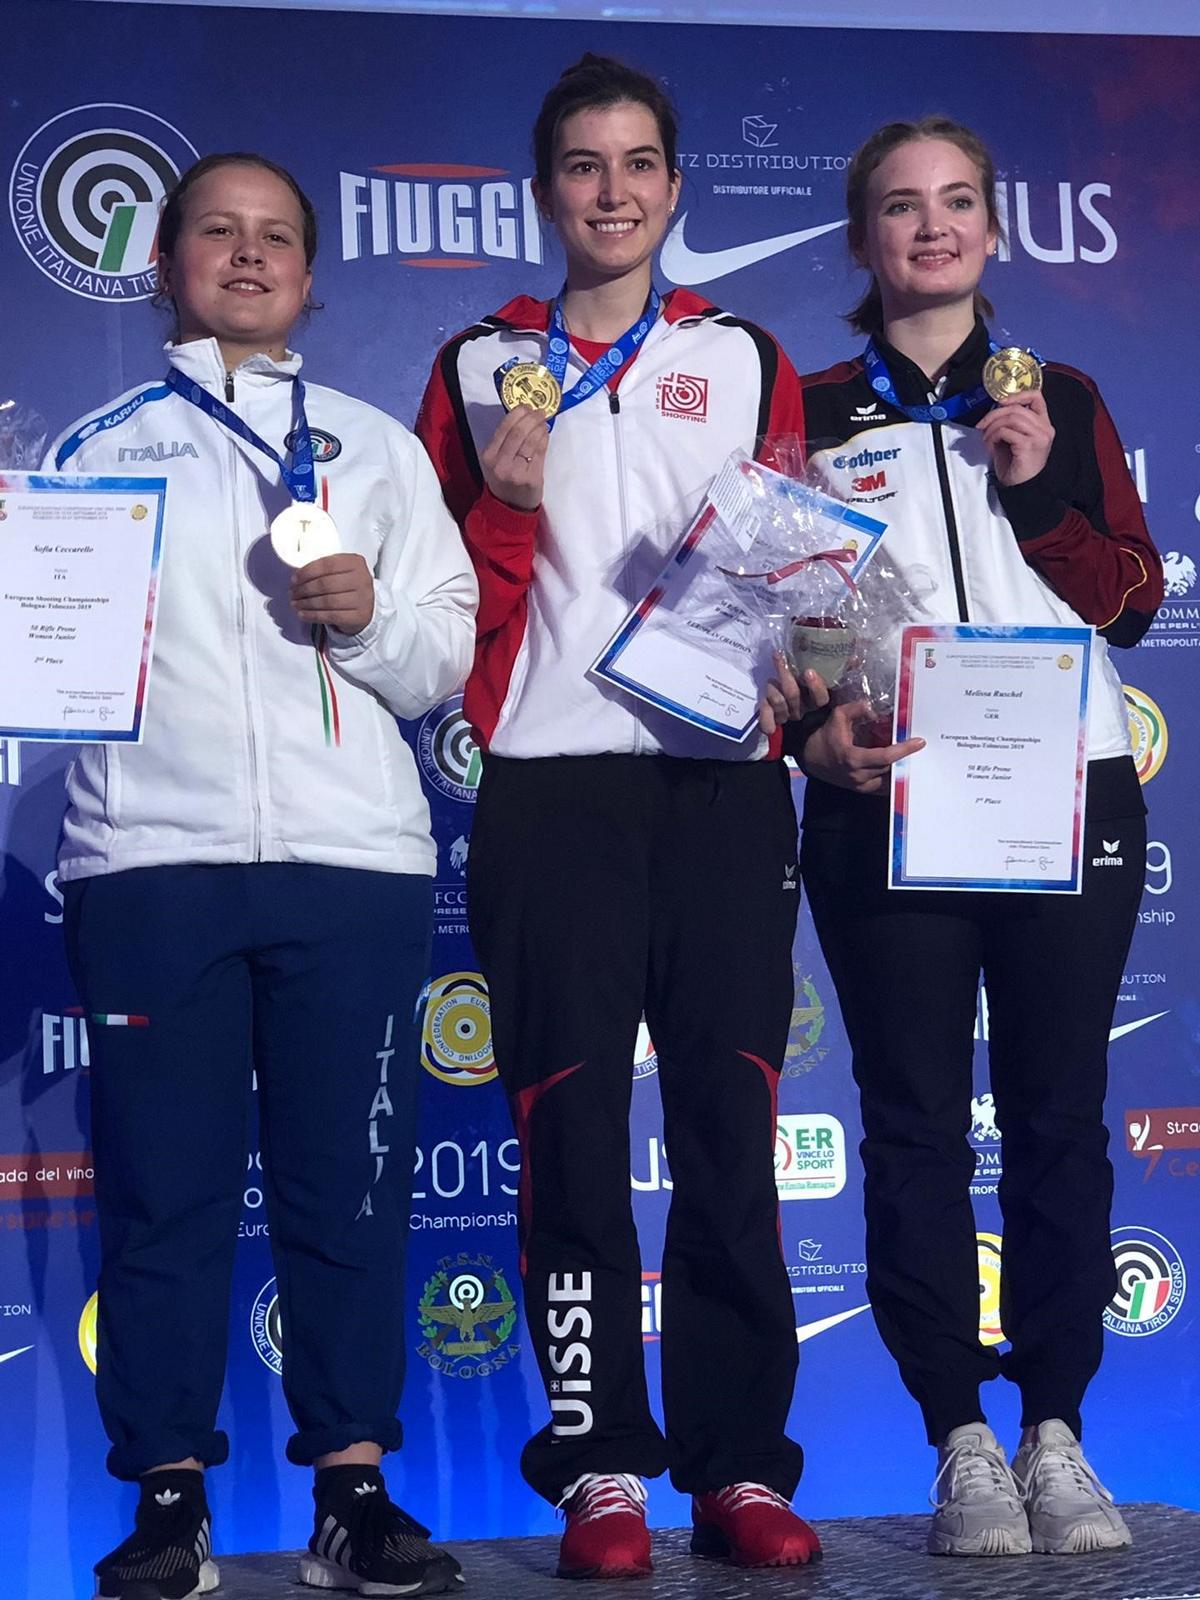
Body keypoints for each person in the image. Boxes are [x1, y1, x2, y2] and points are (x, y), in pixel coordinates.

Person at [45, 152, 477, 1600]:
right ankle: (169, 1498)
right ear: (167, 261)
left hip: (349, 867)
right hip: (151, 869)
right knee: (161, 1195)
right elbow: (32, 683)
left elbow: (442, 661)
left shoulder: (376, 448)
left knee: (350, 1190)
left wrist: (364, 619)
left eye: (275, 236)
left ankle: (352, 1491)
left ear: (309, 271)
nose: (246, 256)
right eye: (217, 233)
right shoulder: (90, 448)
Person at [416, 53, 820, 1581]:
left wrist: (811, 682)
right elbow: (442, 596)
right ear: (547, 191)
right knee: (571, 1130)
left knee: (730, 1122)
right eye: (583, 164)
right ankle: (599, 1470)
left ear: (673, 188)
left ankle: (738, 1470)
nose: (613, 189)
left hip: (723, 784)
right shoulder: (475, 363)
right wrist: (501, 498)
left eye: (638, 163)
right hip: (549, 780)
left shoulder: (744, 354)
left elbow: (798, 564)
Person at [786, 117, 1163, 1558]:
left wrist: (1037, 490)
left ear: (994, 233)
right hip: (891, 794)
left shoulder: (1059, 391)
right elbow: (780, 620)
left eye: (956, 205)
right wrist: (812, 732)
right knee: (914, 1131)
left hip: (1064, 783)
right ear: (864, 239)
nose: (930, 229)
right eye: (899, 206)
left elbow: (1128, 596)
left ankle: (1059, 1432)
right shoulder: (810, 407)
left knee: (1061, 1119)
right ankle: (958, 1438)